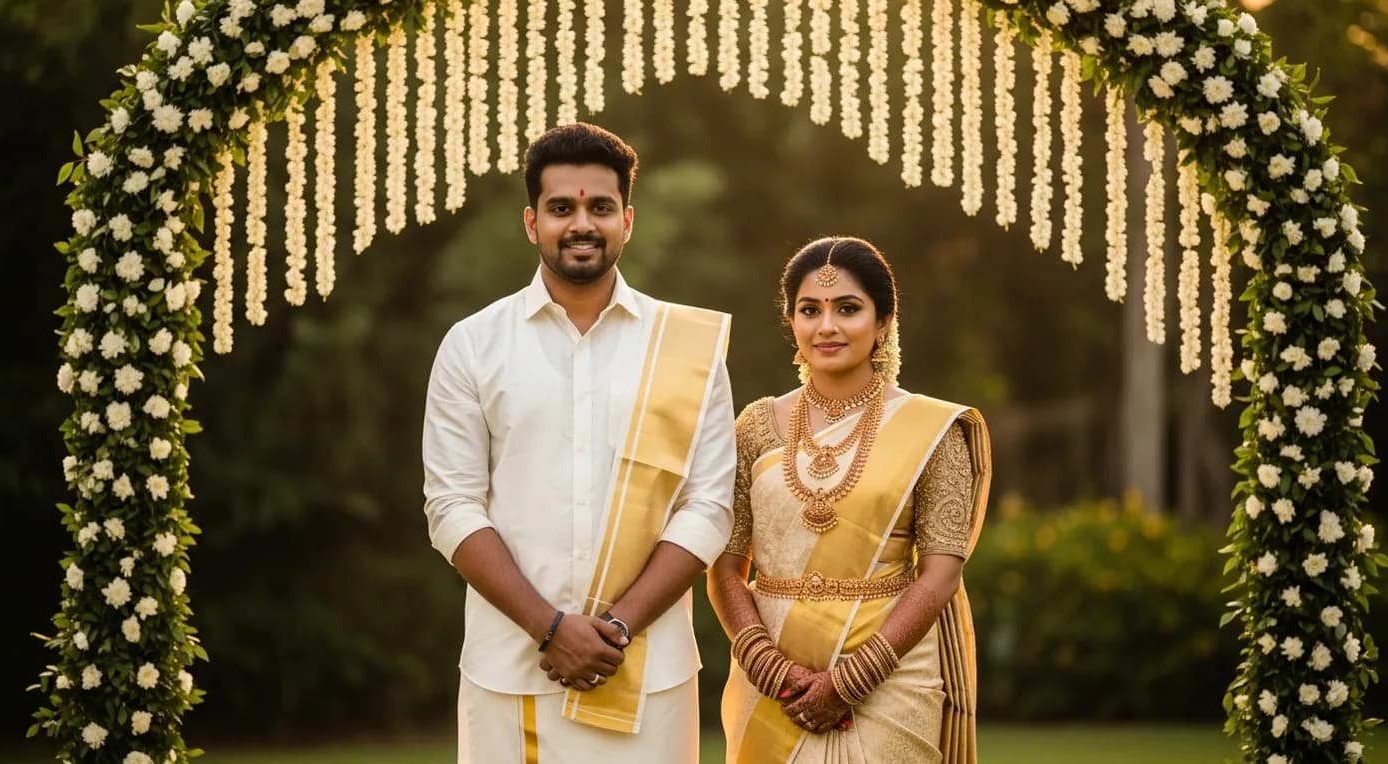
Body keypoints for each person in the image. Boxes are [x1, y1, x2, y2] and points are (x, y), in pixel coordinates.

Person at [422, 122, 737, 763]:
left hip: (648, 672)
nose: (582, 224)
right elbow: (451, 508)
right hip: (510, 673)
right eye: (562, 208)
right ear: (532, 222)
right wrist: (549, 627)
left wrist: (616, 628)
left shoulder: (685, 348)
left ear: (628, 219)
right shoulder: (474, 344)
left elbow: (710, 508)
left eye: (599, 207)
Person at [708, 236, 992, 763]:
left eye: (849, 309)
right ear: (792, 322)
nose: (827, 326)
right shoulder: (755, 426)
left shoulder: (933, 431)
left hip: (891, 681)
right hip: (770, 683)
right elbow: (725, 568)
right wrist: (767, 666)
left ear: (884, 322)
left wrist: (853, 679)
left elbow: (940, 574)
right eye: (809, 310)